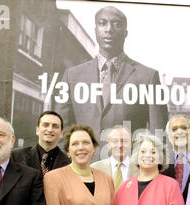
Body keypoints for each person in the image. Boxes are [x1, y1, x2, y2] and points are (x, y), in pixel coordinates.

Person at [55, 6, 168, 140]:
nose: (109, 29)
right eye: (102, 23)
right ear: (95, 30)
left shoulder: (148, 77)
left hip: (128, 160)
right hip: (83, 160)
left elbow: (159, 135)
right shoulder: (72, 76)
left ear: (126, 33)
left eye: (116, 24)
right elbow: (61, 130)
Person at [91, 125, 138, 190]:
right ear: (108, 144)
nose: (120, 145)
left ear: (130, 144)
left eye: (124, 141)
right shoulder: (94, 169)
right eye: (115, 141)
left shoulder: (140, 169)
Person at [163, 115, 190, 201]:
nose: (180, 132)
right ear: (168, 134)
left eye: (184, 128)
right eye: (174, 129)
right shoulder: (161, 161)